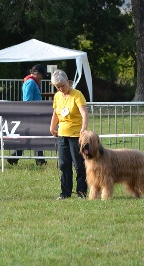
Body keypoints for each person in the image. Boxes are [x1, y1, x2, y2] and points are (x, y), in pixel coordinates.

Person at [49, 69, 88, 200]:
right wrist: (52, 127)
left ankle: (81, 192)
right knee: (64, 164)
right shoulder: (57, 96)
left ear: (68, 81)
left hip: (76, 134)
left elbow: (84, 113)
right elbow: (56, 113)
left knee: (79, 165)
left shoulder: (77, 94)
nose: (60, 89)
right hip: (62, 134)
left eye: (62, 86)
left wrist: (84, 128)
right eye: (57, 87)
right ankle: (65, 192)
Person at [7, 64, 47, 166]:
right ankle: (37, 159)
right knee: (33, 136)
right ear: (37, 73)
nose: (42, 78)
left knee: (31, 136)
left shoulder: (30, 82)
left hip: (32, 113)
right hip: (32, 113)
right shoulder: (31, 83)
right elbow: (28, 100)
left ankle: (15, 157)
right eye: (42, 75)